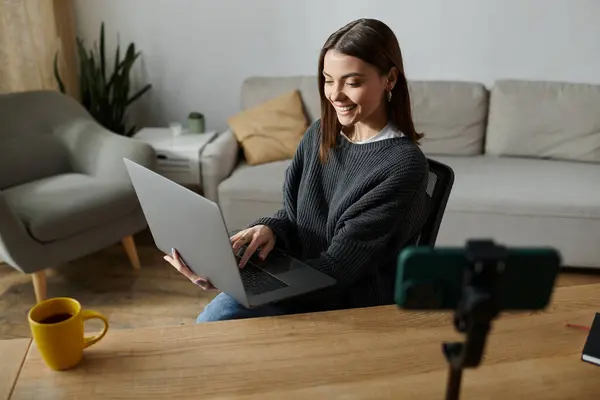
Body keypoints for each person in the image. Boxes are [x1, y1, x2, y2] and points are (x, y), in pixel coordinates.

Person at [164, 18, 430, 322]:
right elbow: (295, 216)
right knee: (217, 319)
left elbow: (340, 269)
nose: (336, 95)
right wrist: (269, 230)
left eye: (352, 82)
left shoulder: (403, 165)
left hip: (346, 299)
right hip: (301, 279)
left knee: (218, 321)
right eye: (329, 80)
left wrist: (237, 281)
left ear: (390, 79)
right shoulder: (320, 134)